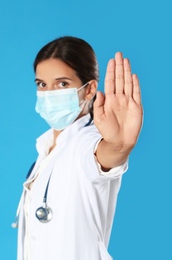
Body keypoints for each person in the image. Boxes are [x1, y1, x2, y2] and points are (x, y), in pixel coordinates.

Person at [12, 36, 143, 260]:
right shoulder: (46, 150)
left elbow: (104, 156)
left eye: (62, 84)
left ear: (89, 88)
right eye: (42, 84)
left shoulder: (87, 142)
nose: (49, 93)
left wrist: (120, 145)